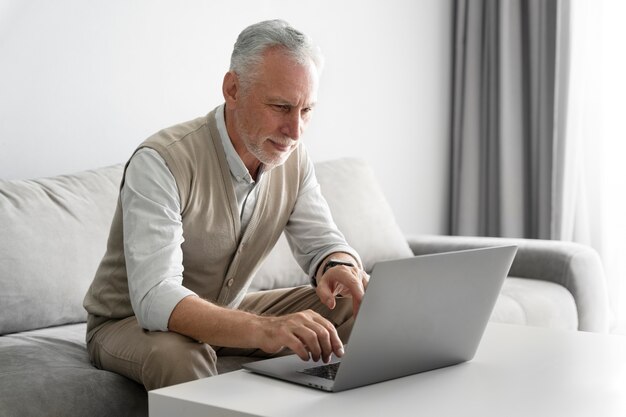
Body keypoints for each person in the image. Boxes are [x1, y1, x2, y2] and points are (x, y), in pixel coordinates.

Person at [83, 19, 368, 391]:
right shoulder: (162, 161)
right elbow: (155, 298)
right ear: (233, 89)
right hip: (130, 322)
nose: (295, 131)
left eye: (307, 110)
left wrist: (339, 265)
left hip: (229, 311)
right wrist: (264, 329)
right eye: (281, 107)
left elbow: (323, 243)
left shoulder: (292, 158)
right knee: (180, 356)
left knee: (360, 305)